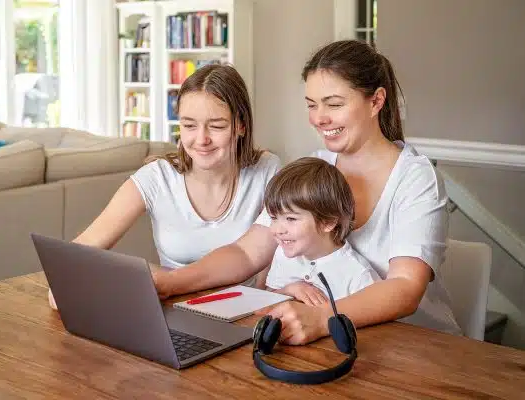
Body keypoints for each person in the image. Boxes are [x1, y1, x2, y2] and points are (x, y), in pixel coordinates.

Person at [152, 39, 461, 343]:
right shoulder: (315, 166)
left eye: (334, 104)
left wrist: (324, 317)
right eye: (312, 105)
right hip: (340, 343)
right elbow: (248, 252)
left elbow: (405, 287)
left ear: (376, 101)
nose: (319, 118)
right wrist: (172, 282)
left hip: (416, 347)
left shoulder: (415, 178)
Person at [48, 64, 280, 309]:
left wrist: (169, 280)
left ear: (241, 125)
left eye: (217, 126)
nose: (201, 139)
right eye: (189, 125)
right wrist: (63, 279)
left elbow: (255, 255)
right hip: (174, 309)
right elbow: (87, 244)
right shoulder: (156, 178)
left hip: (244, 311)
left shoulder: (267, 170)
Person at [260, 157, 381, 305]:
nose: (277, 230)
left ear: (328, 222)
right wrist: (291, 290)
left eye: (291, 219)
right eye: (273, 218)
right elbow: (268, 300)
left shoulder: (358, 275)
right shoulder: (283, 252)